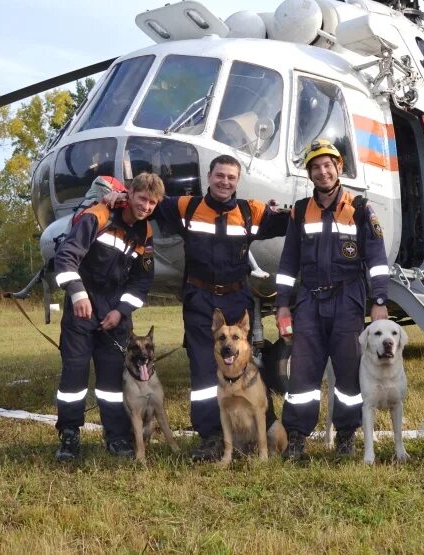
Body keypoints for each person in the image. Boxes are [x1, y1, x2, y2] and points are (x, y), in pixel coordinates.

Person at [105, 155, 289, 461]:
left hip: (236, 297)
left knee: (247, 362)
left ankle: (261, 427)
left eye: (231, 177)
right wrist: (120, 197)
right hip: (200, 300)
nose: (224, 182)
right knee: (204, 368)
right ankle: (211, 436)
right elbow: (148, 202)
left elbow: (291, 219)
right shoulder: (186, 207)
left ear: (237, 181)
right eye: (219, 176)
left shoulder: (250, 211)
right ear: (209, 175)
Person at [275, 139, 390, 461]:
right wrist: (283, 303)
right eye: (315, 166)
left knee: (349, 371)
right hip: (309, 301)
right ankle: (296, 436)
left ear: (339, 167)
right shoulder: (300, 211)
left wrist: (379, 300)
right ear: (309, 173)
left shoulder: (361, 208)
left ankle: (345, 435)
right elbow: (288, 262)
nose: (322, 171)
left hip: (348, 299)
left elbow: (377, 260)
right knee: (302, 372)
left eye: (328, 165)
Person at [52, 172, 165, 462]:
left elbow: (141, 281)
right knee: (74, 376)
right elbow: (66, 257)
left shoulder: (144, 232)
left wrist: (121, 311)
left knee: (113, 382)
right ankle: (69, 436)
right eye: (142, 199)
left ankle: (116, 436)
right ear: (130, 194)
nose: (146, 207)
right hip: (82, 311)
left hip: (114, 318)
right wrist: (77, 293)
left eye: (153, 203)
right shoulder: (98, 215)